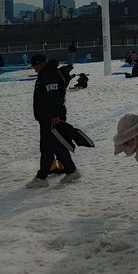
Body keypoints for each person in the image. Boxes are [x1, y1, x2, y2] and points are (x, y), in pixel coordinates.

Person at [26, 54, 80, 189]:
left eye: (35, 67)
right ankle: (71, 171)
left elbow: (54, 97)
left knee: (48, 147)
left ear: (41, 64)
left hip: (51, 118)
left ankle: (42, 177)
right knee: (54, 147)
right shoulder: (47, 73)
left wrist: (55, 116)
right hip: (48, 117)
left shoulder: (49, 75)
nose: (34, 70)